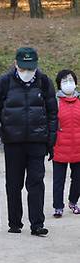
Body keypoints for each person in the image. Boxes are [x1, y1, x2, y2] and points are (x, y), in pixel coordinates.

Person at [0, 47, 58, 237]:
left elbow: (52, 113)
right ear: (16, 63)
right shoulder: (3, 82)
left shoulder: (44, 82)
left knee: (36, 182)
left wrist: (51, 140)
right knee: (14, 183)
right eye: (24, 67)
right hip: (13, 141)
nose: (28, 72)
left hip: (37, 141)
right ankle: (14, 222)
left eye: (31, 68)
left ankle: (37, 224)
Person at [51, 70, 80, 218]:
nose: (68, 83)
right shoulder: (54, 102)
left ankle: (73, 202)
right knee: (58, 179)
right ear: (59, 84)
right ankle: (58, 206)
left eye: (70, 80)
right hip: (60, 146)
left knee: (78, 178)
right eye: (64, 80)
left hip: (78, 147)